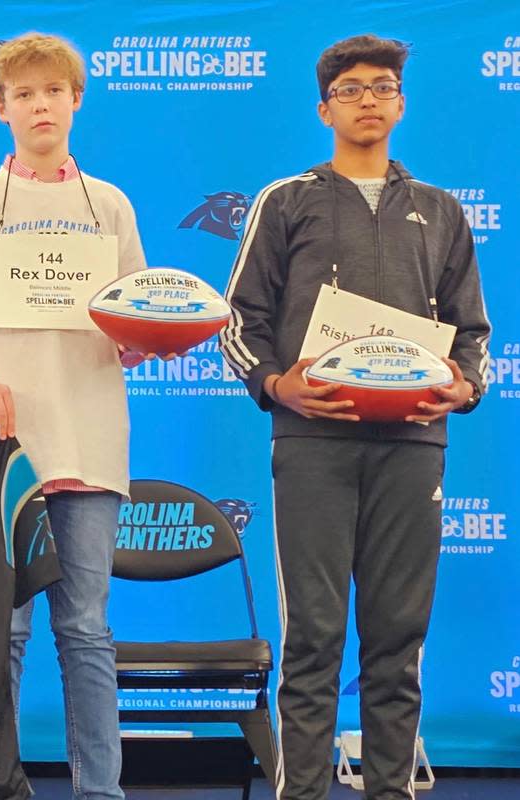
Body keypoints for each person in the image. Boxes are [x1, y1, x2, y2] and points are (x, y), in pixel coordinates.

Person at [219, 34, 491, 800]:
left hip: (414, 447)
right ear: (324, 108)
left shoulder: (440, 211)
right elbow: (240, 321)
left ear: (401, 103)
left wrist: (462, 388)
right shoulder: (288, 199)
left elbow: (474, 335)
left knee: (398, 640)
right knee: (313, 637)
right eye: (351, 88)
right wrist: (276, 385)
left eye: (382, 86)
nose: (367, 98)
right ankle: (301, 791)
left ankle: (390, 790)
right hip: (311, 444)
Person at [0, 31, 155, 800]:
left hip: (90, 443)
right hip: (0, 452)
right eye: (24, 94)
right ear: (2, 110)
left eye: (54, 90)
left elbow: (134, 323)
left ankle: (99, 793)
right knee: (1, 637)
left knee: (86, 632)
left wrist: (153, 340)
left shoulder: (110, 204)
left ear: (76, 100)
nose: (40, 104)